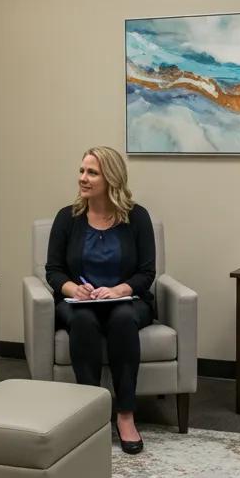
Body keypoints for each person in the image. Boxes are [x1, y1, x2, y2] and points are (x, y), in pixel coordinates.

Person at [46, 146, 155, 454]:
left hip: (126, 300)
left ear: (111, 178)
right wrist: (71, 288)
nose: (83, 178)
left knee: (121, 319)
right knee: (83, 321)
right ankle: (91, 415)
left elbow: (147, 272)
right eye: (82, 171)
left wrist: (119, 289)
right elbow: (53, 270)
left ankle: (125, 415)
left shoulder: (137, 217)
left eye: (92, 172)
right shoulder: (68, 218)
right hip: (80, 304)